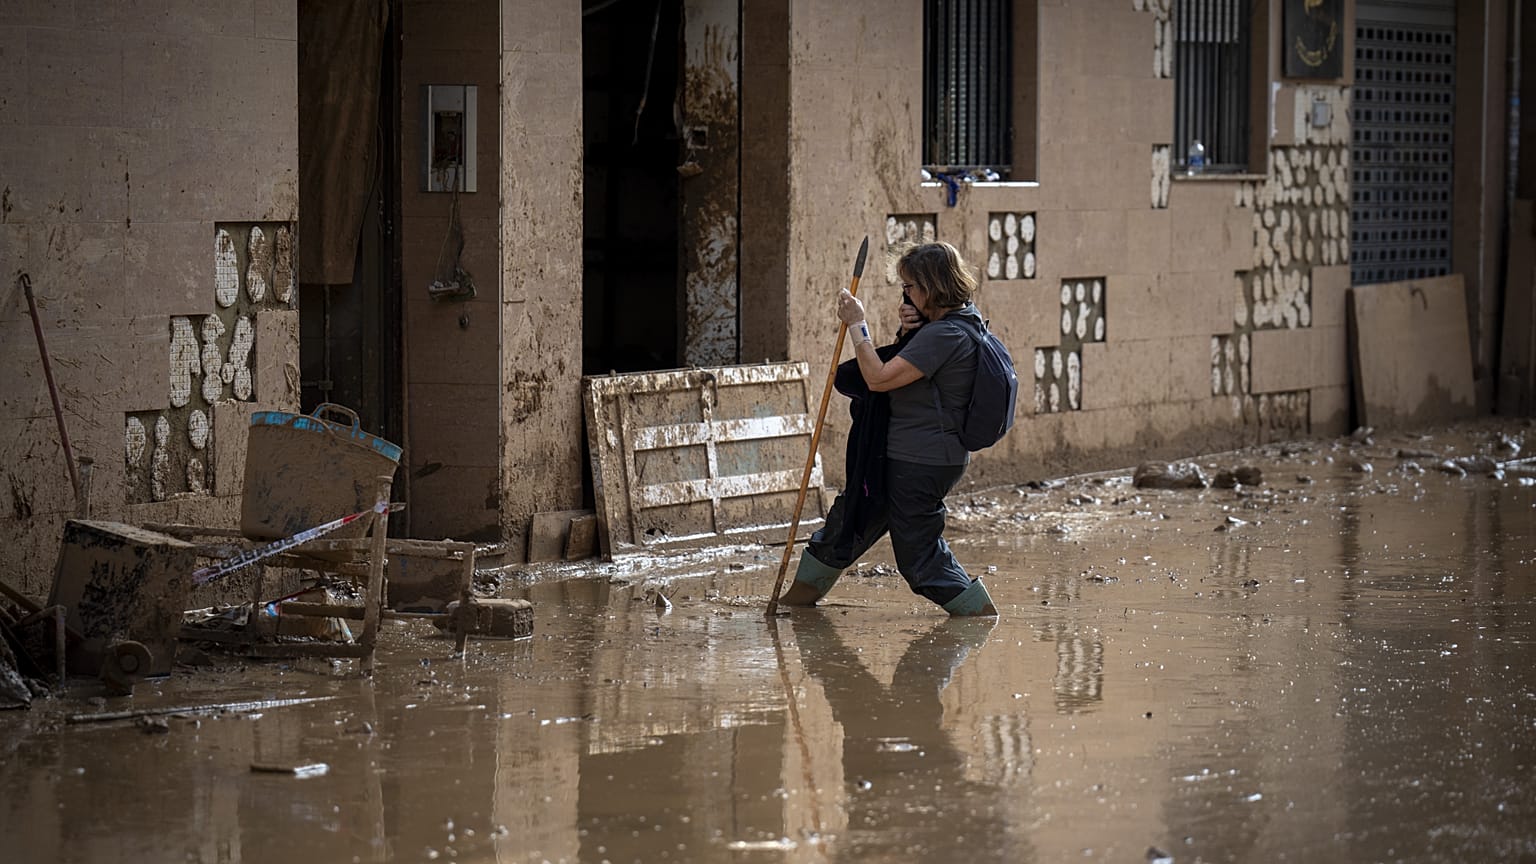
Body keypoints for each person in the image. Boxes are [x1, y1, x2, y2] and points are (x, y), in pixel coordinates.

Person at [778, 241, 998, 616]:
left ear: (932, 286)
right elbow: (914, 378)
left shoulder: (946, 335)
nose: (905, 294)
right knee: (845, 527)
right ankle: (793, 607)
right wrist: (907, 334)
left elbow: (879, 379)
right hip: (902, 455)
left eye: (910, 286)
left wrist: (857, 325)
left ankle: (980, 620)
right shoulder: (950, 325)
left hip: (921, 461)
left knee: (920, 559)